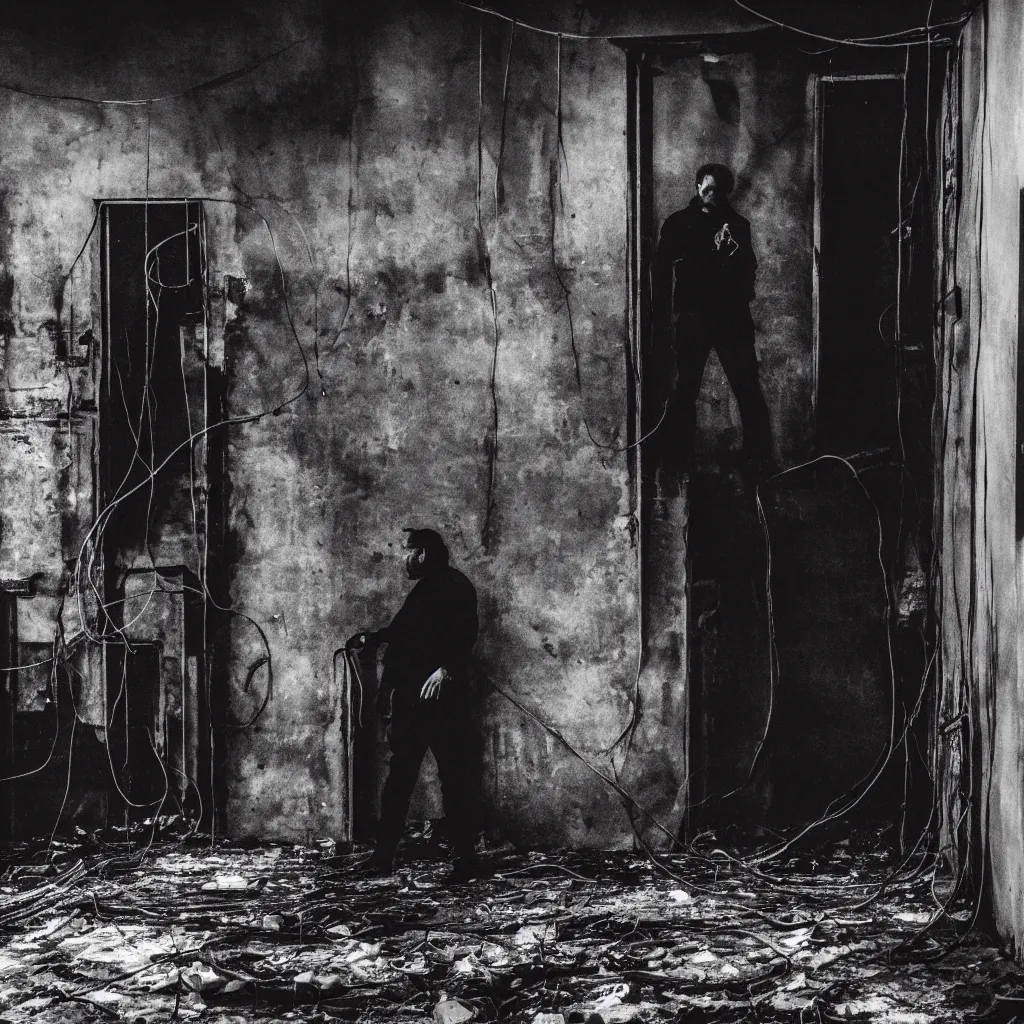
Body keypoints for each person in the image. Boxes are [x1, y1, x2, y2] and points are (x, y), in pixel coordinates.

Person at [348, 527, 481, 882]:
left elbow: (467, 632)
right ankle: (382, 857)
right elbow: (402, 632)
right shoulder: (423, 592)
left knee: (455, 778)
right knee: (400, 779)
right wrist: (373, 638)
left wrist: (447, 670)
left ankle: (467, 862)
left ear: (422, 554)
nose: (403, 561)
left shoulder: (455, 586)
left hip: (443, 703)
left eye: (406, 554)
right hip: (412, 703)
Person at [654, 162, 771, 472]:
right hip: (693, 317)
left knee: (747, 387)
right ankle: (679, 462)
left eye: (719, 191)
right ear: (697, 188)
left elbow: (748, 270)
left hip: (731, 317)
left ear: (727, 192)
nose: (712, 196)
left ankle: (758, 460)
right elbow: (662, 267)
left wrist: (727, 265)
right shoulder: (678, 224)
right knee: (685, 390)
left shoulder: (738, 225)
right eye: (707, 189)